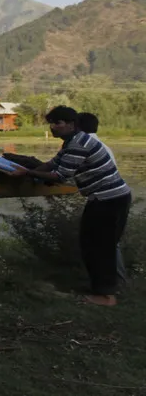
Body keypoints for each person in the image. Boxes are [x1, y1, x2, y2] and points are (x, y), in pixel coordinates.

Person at [8, 105, 133, 306]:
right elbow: (51, 164)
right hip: (107, 198)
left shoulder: (78, 144)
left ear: (71, 124)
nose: (53, 128)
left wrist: (27, 174)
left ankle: (106, 296)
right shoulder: (72, 142)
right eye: (51, 123)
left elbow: (59, 175)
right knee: (94, 243)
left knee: (99, 246)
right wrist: (27, 172)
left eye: (57, 123)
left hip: (108, 199)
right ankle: (104, 289)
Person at [76, 112, 126, 285]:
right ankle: (116, 281)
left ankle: (112, 284)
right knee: (110, 242)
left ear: (77, 127)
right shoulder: (100, 145)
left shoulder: (85, 145)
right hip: (115, 195)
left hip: (105, 198)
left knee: (103, 243)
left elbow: (65, 173)